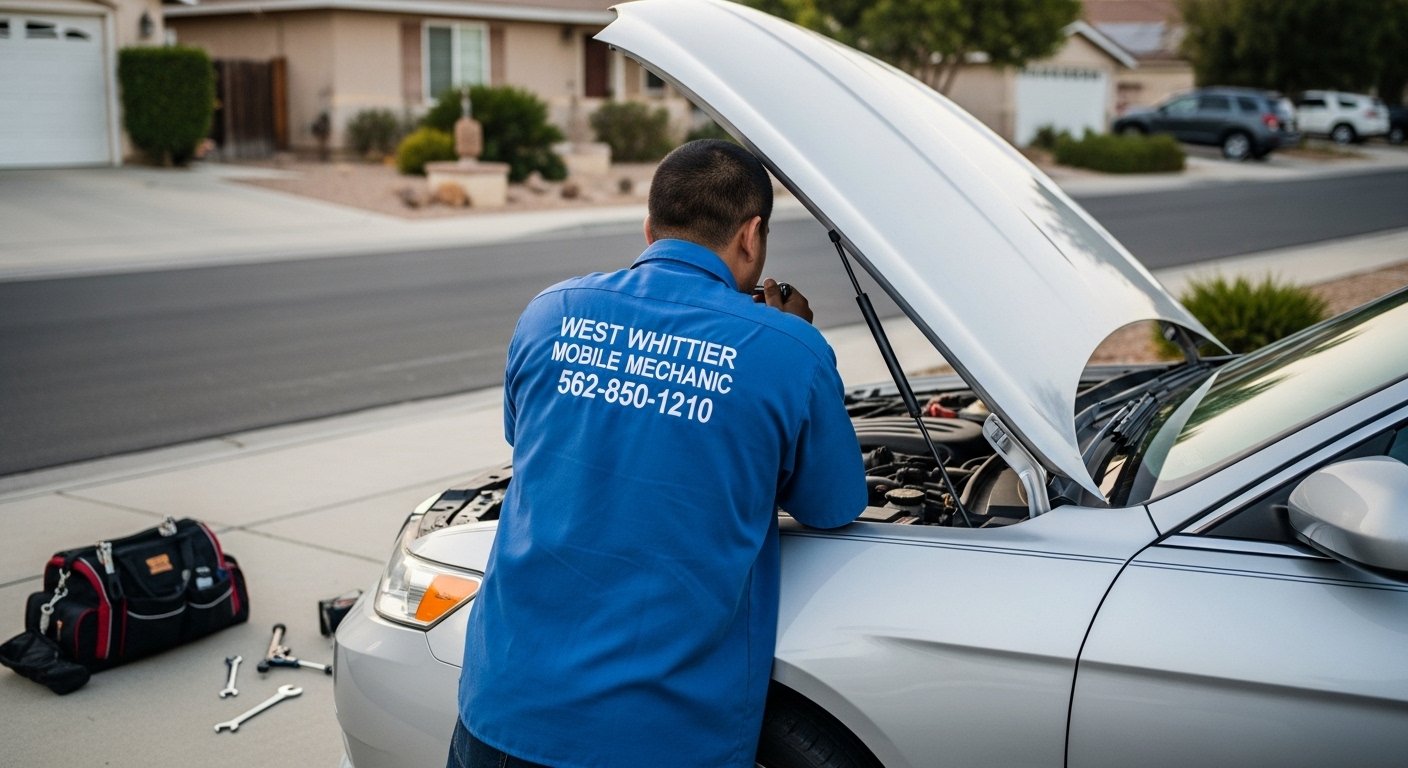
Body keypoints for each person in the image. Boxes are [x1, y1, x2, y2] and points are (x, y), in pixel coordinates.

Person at [450, 139, 867, 768]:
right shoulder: (790, 352)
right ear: (751, 236)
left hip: (501, 714)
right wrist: (798, 342)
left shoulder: (549, 313)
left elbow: (530, 439)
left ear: (649, 227)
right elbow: (832, 507)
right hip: (660, 739)